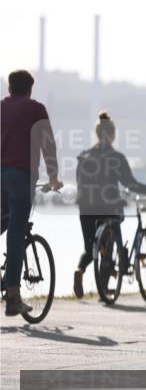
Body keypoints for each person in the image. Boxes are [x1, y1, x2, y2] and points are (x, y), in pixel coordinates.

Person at [73, 111, 146, 298]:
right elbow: (131, 184)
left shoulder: (84, 156)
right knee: (111, 238)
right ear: (112, 135)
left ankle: (79, 270)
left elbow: (79, 183)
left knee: (90, 247)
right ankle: (107, 283)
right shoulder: (116, 157)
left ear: (97, 133)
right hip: (109, 207)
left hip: (85, 207)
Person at [1, 70, 62, 316]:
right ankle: (13, 296)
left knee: (3, 223)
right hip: (21, 176)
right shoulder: (36, 109)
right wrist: (54, 177)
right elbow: (48, 144)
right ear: (29, 89)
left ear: (10, 87)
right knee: (16, 231)